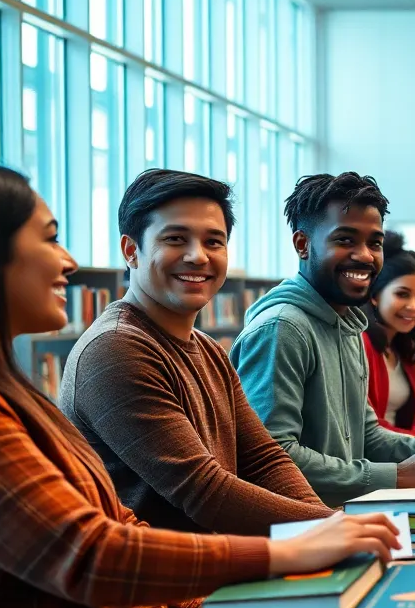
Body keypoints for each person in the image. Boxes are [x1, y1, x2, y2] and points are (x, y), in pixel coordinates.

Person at [0, 163, 401, 608]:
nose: (69, 261)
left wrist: (331, 535)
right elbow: (93, 553)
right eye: (49, 238)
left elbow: (257, 459)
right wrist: (300, 545)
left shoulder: (19, 389)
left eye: (214, 240)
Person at [60, 169, 333, 535]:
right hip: (170, 586)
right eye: (175, 238)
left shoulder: (207, 349)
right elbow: (205, 492)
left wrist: (331, 526)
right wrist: (332, 528)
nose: (198, 256)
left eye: (214, 242)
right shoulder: (115, 348)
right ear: (131, 250)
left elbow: (263, 459)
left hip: (227, 565)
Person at [231, 173, 415, 506]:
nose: (366, 255)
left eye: (374, 242)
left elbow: (366, 434)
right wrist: (395, 476)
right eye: (345, 240)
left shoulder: (349, 324)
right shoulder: (283, 329)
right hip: (300, 530)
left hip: (345, 515)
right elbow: (271, 459)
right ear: (302, 244)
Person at [360, 230, 415, 438]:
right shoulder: (362, 344)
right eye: (402, 294)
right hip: (377, 462)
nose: (414, 306)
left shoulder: (402, 349)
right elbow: (369, 431)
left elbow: (405, 428)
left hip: (400, 455)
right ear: (375, 295)